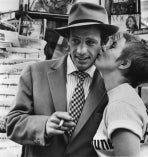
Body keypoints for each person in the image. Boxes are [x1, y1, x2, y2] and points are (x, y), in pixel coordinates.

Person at [6, 2, 119, 157]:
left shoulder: (111, 86)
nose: (81, 51)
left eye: (90, 42)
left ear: (103, 43)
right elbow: (12, 123)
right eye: (75, 41)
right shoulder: (35, 73)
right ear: (68, 40)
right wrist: (44, 126)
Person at [92, 32, 148, 157]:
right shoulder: (123, 97)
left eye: (112, 46)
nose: (102, 48)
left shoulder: (121, 105)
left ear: (123, 63)